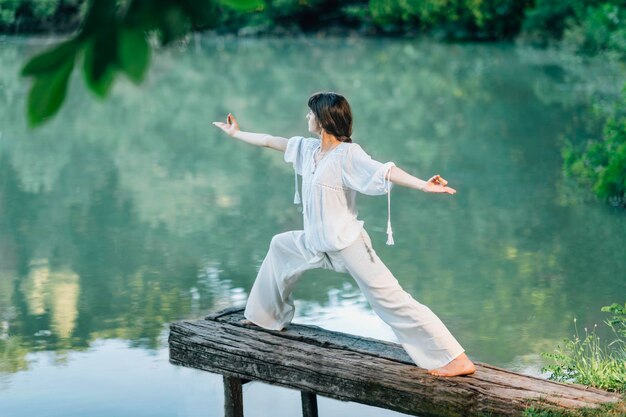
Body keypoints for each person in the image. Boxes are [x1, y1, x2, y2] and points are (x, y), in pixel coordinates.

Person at [212, 92, 476, 377]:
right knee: (281, 245)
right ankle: (264, 318)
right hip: (315, 242)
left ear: (324, 120)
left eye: (310, 113)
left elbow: (386, 171)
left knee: (390, 299)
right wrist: (236, 134)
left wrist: (423, 185)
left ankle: (455, 359)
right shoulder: (307, 150)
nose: (307, 117)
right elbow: (268, 140)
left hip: (348, 244)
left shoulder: (348, 155)